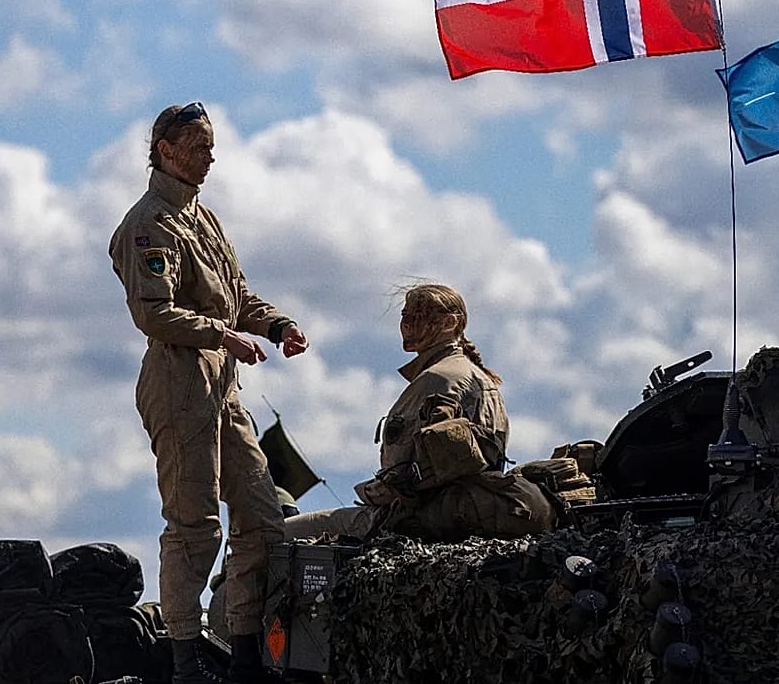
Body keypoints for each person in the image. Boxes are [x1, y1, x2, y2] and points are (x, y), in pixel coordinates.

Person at [109, 102, 310, 684]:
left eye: (211, 146)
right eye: (199, 146)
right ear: (166, 150)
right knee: (194, 525)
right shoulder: (150, 224)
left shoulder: (204, 219)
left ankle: (244, 651)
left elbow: (237, 294)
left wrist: (275, 326)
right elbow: (154, 313)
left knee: (263, 517)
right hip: (178, 385)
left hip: (223, 388)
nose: (210, 156)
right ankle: (185, 659)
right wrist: (222, 334)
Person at [284, 283, 554, 543]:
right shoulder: (476, 376)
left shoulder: (438, 380)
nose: (408, 324)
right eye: (405, 316)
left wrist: (370, 493)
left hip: (419, 515)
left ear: (449, 323)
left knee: (276, 535)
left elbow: (402, 470)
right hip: (459, 507)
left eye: (419, 317)